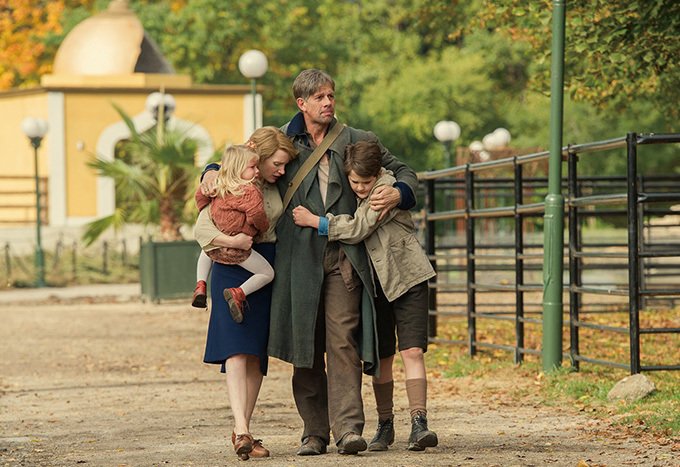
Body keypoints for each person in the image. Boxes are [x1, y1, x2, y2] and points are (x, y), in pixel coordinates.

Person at [267, 69, 419, 456]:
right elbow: (237, 162)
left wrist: (399, 193)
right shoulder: (281, 139)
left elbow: (405, 172)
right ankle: (314, 432)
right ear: (302, 103)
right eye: (319, 97)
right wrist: (211, 173)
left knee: (343, 341)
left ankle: (348, 430)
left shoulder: (358, 139)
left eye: (331, 95)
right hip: (299, 256)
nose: (328, 102)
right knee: (306, 344)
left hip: (346, 254)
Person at [292, 140, 438, 452]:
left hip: (408, 277)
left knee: (411, 352)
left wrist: (316, 221)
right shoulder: (362, 190)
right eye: (354, 182)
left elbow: (358, 228)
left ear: (378, 175)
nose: (359, 188)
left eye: (365, 182)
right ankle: (385, 425)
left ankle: (419, 422)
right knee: (382, 356)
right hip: (377, 285)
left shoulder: (384, 191)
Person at [194, 126, 298, 460]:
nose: (281, 171)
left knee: (255, 354)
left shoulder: (275, 183)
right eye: (276, 164)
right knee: (236, 350)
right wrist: (232, 242)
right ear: (258, 159)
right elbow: (202, 225)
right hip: (230, 261)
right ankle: (241, 428)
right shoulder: (226, 180)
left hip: (264, 266)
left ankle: (245, 434)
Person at [194, 144, 273, 323]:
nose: (257, 171)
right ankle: (238, 293)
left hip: (214, 249)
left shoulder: (218, 185)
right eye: (252, 167)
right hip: (238, 250)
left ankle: (200, 284)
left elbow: (200, 196)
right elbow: (257, 216)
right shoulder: (249, 191)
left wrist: (205, 210)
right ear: (238, 168)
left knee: (206, 246)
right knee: (268, 274)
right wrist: (262, 228)